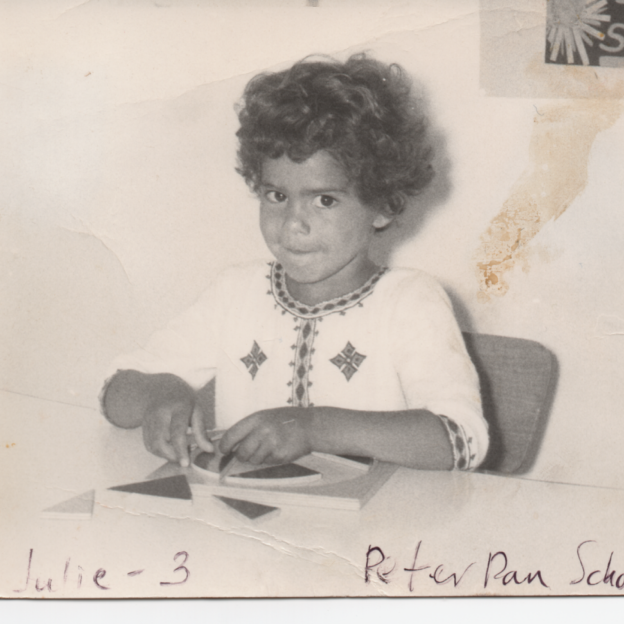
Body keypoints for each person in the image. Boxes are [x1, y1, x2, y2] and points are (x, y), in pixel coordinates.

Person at [100, 53, 489, 472]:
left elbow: (460, 440)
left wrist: (314, 426)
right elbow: (116, 390)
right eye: (277, 196)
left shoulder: (411, 302)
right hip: (248, 528)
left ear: (383, 204)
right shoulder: (236, 294)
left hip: (376, 531)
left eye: (325, 200)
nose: (293, 224)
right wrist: (161, 394)